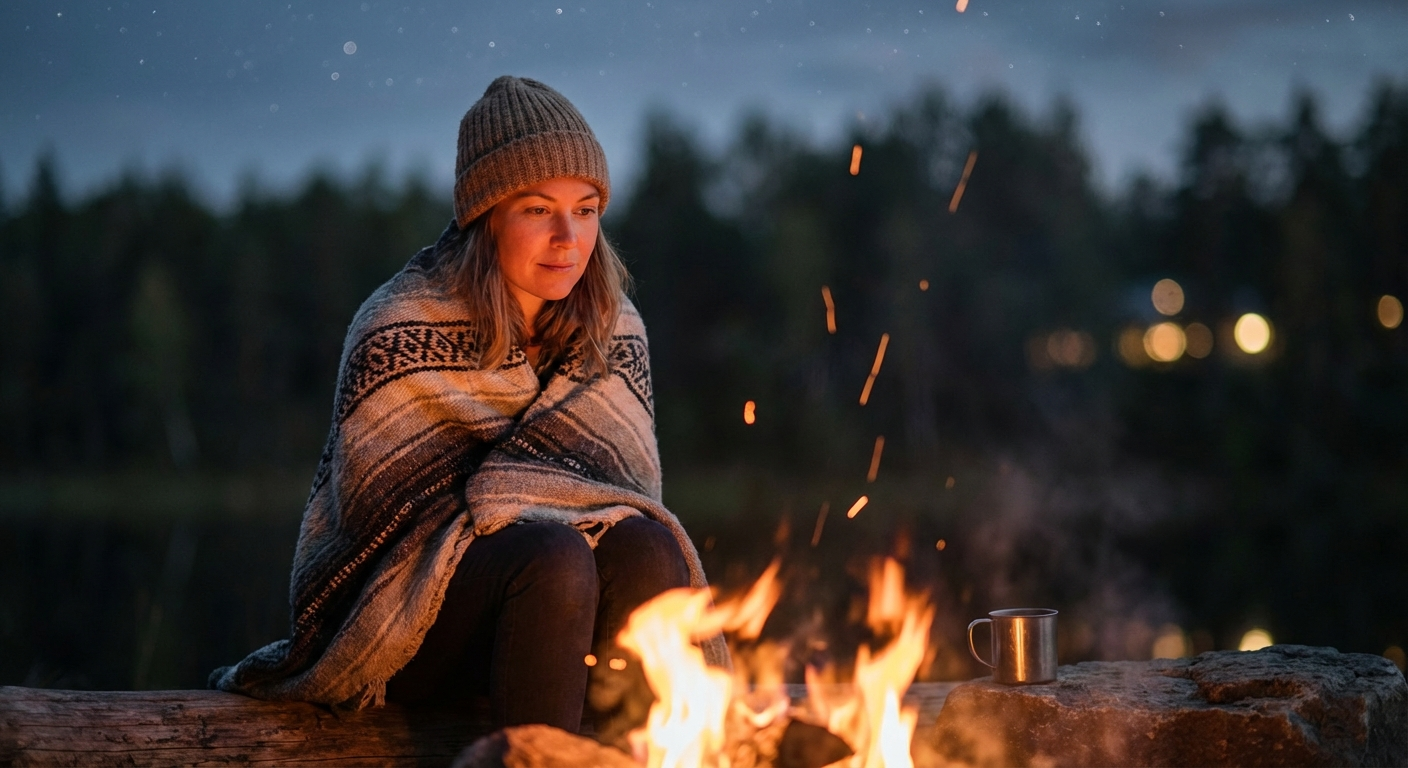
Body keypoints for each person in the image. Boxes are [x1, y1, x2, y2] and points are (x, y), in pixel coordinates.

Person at [210, 76, 726, 734]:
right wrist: (529, 509)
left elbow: (621, 495)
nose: (568, 237)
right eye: (538, 209)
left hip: (564, 624)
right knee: (554, 554)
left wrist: (534, 502)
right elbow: (380, 542)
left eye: (587, 207)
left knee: (651, 546)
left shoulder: (612, 328)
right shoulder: (399, 326)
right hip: (406, 625)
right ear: (486, 215)